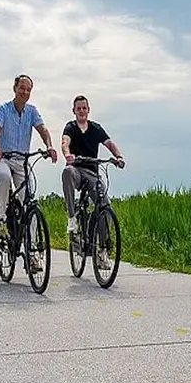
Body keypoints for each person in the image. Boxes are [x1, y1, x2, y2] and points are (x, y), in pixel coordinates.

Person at [0, 75, 58, 272]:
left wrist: (49, 146)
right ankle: (0, 221)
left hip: (22, 161)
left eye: (28, 89)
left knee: (29, 205)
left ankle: (33, 254)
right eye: (22, 88)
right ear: (15, 88)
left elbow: (43, 129)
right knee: (3, 177)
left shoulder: (32, 111)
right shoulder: (3, 109)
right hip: (3, 158)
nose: (25, 92)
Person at [61, 95, 124, 269]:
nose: (82, 111)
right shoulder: (71, 127)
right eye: (78, 108)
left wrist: (118, 156)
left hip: (92, 172)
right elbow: (65, 142)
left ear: (88, 110)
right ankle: (72, 218)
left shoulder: (96, 128)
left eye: (84, 108)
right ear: (74, 111)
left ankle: (102, 251)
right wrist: (67, 154)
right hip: (76, 170)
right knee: (67, 172)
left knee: (105, 206)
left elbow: (109, 143)